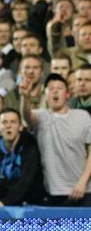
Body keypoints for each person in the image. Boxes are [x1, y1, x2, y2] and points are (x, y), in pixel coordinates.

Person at [21, 73, 91, 206]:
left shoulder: (83, 116)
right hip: (53, 193)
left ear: (67, 94)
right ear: (46, 95)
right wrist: (25, 97)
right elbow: (27, 116)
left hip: (84, 190)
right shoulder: (41, 116)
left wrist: (82, 183)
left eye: (59, 88)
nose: (55, 91)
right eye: (51, 88)